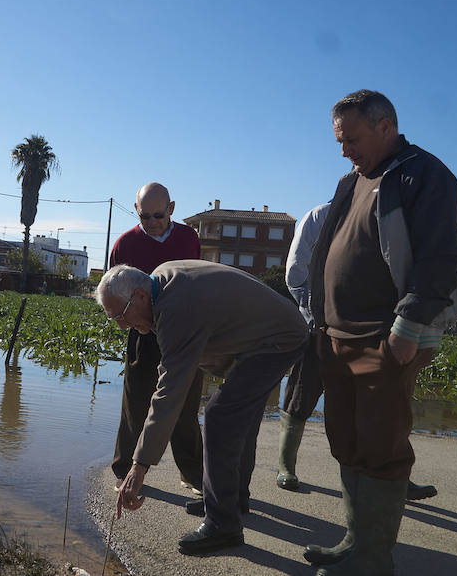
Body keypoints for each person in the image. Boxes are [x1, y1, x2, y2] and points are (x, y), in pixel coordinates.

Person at [304, 90, 457, 575]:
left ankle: (375, 558)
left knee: (382, 446)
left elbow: (440, 259)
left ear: (385, 126)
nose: (344, 149)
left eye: (350, 138)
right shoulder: (350, 181)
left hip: (384, 336)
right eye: (339, 140)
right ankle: (355, 541)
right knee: (346, 440)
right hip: (335, 334)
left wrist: (408, 327)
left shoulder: (424, 175)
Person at [96, 260, 308, 555]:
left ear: (140, 296)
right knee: (237, 417)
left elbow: (170, 393)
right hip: (268, 334)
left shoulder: (176, 307)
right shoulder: (161, 280)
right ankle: (232, 499)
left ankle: (223, 525)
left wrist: (139, 466)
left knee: (220, 416)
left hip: (279, 340)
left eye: (120, 315)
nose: (121, 325)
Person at [277, 202, 438, 502]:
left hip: (371, 327)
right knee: (302, 392)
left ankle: (393, 477)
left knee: (384, 404)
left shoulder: (389, 218)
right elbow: (296, 273)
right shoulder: (318, 217)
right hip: (320, 324)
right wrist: (319, 315)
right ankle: (286, 465)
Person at [108, 182, 205, 495]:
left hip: (185, 333)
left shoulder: (190, 238)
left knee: (186, 408)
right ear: (136, 210)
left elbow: (197, 283)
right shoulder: (124, 244)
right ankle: (125, 471)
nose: (151, 221)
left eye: (158, 215)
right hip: (143, 332)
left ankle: (192, 474)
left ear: (172, 209)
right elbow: (113, 291)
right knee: (135, 403)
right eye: (145, 215)